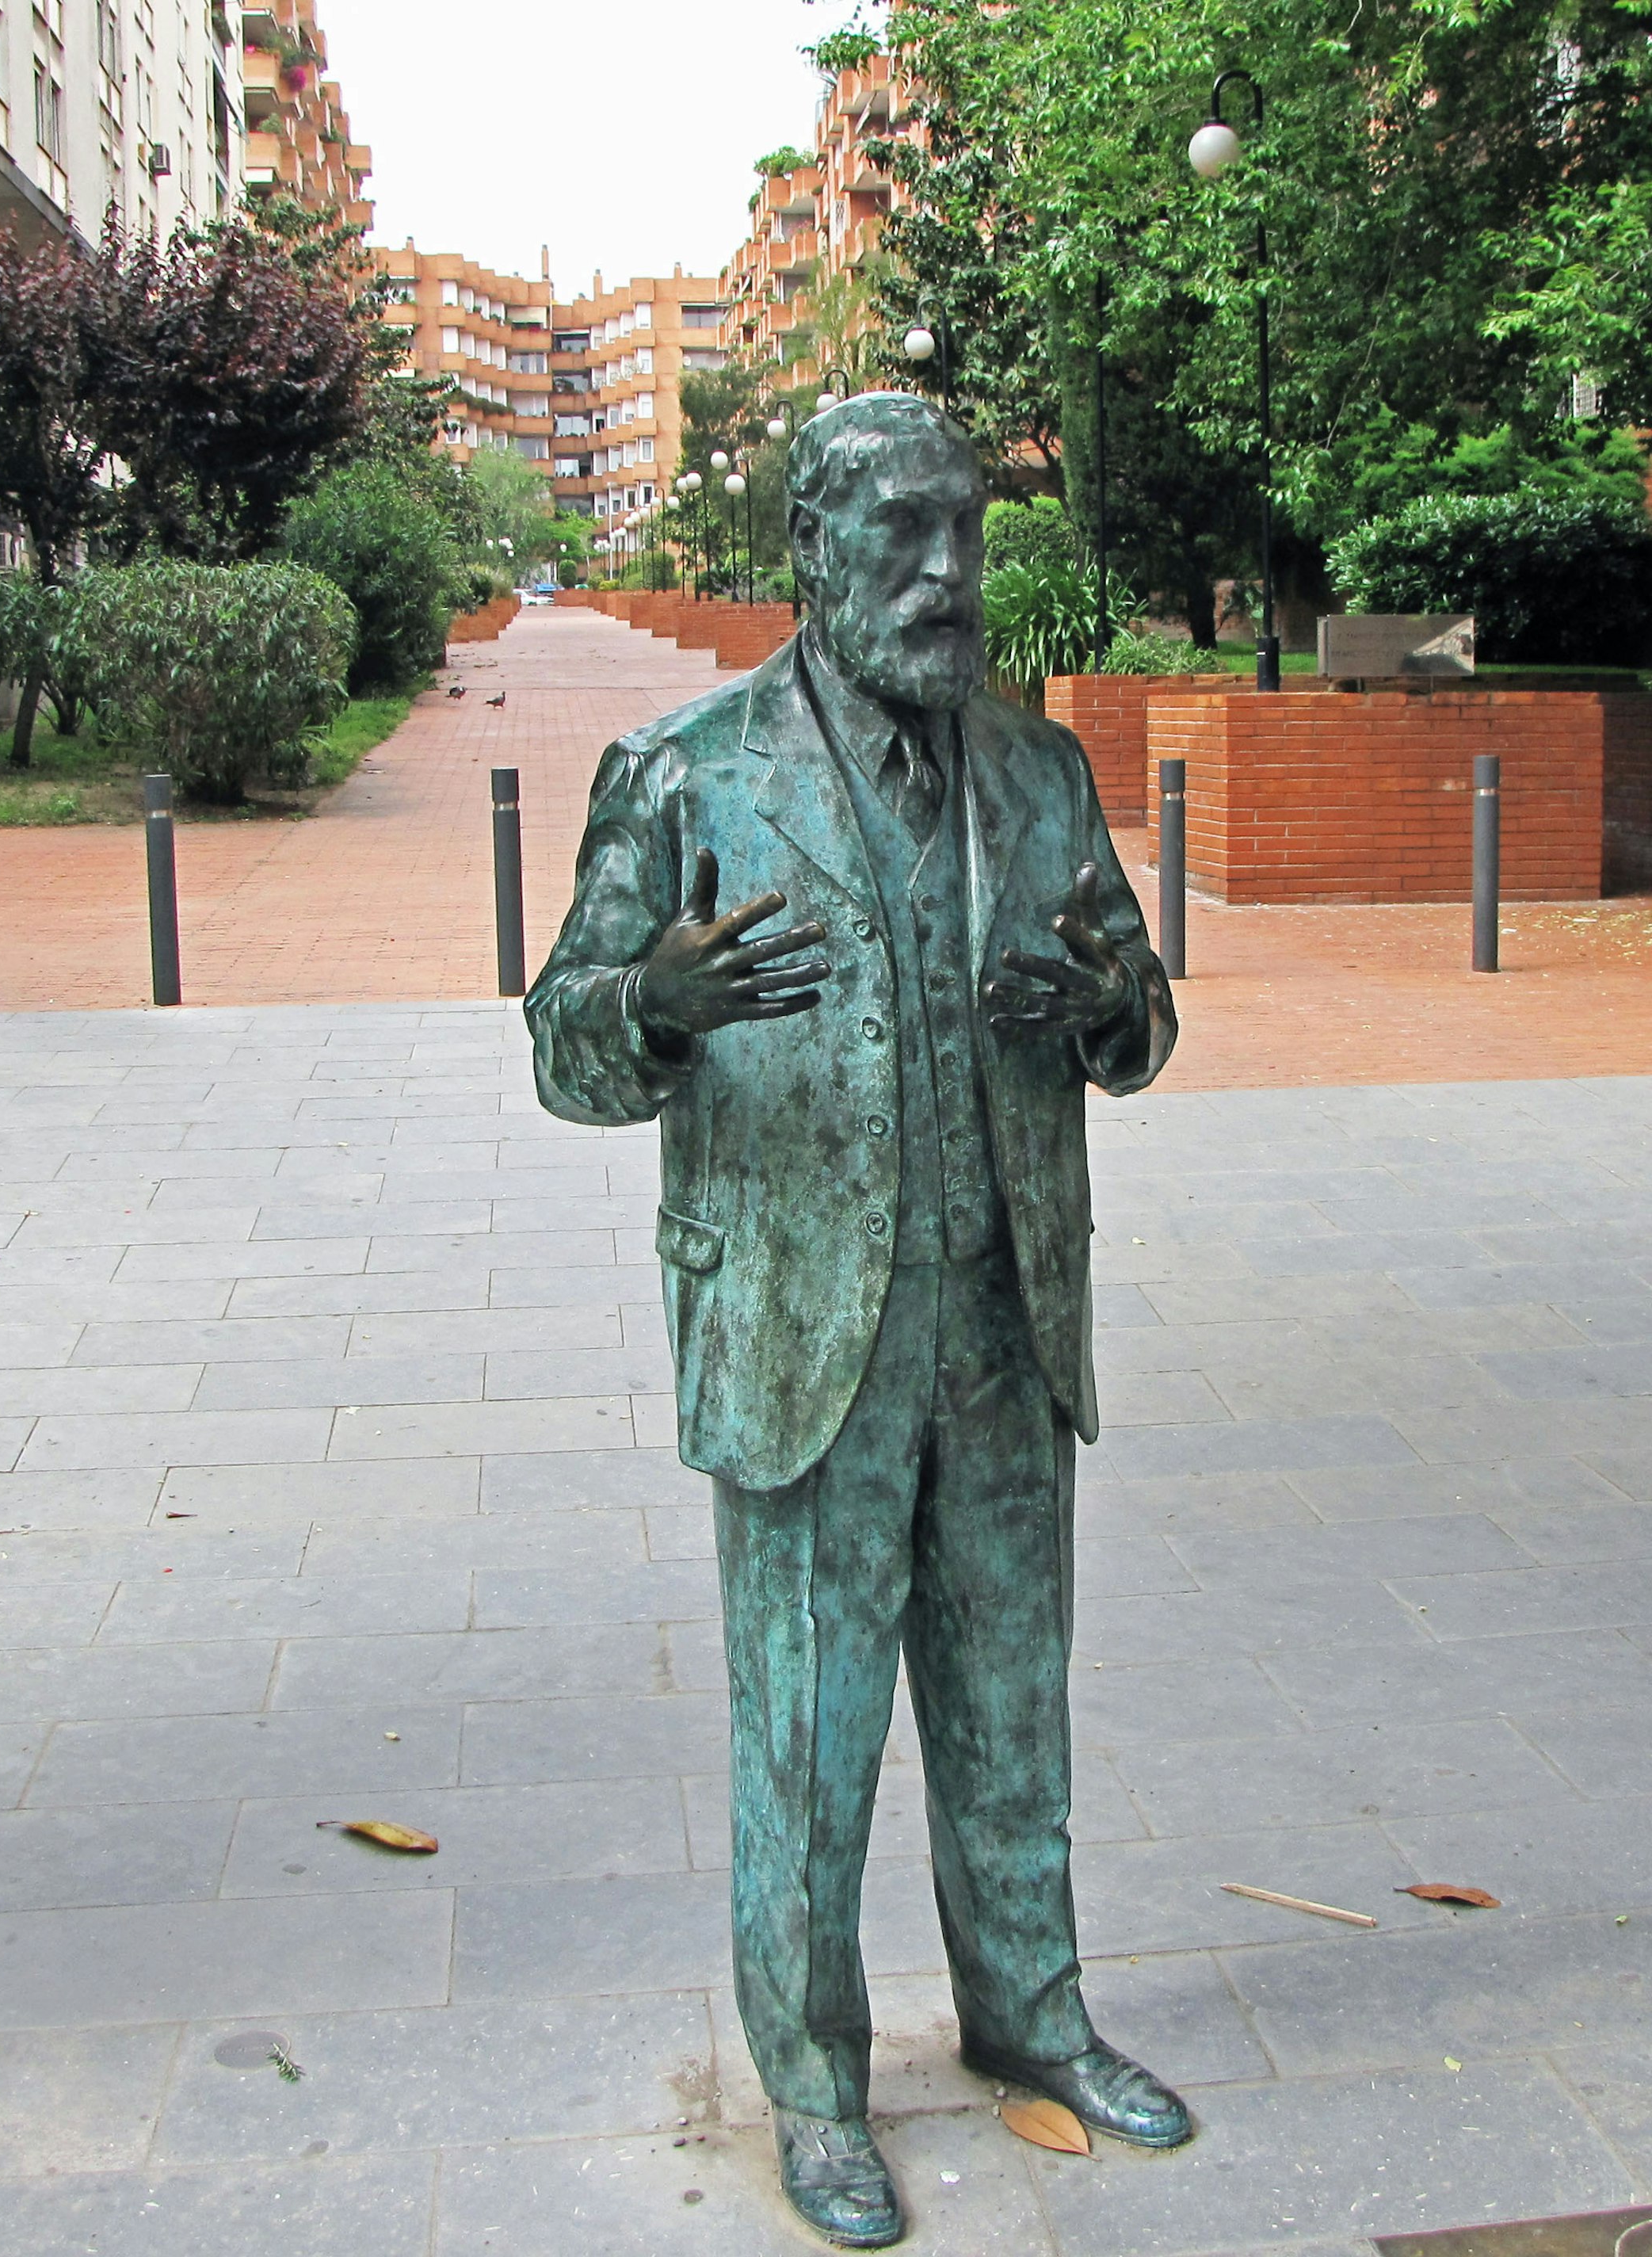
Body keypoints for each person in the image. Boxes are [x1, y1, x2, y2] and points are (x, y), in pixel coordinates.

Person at [525, 394, 1186, 2247]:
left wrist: (1116, 1008)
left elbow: (1142, 1023)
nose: (947, 571)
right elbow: (567, 1042)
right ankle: (815, 2079)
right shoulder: (686, 773)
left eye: (965, 528)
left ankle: (1034, 2017)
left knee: (1009, 1708)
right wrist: (656, 998)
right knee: (809, 1737)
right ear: (812, 553)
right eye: (901, 533)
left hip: (1001, 1325)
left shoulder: (1043, 772)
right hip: (807, 1338)